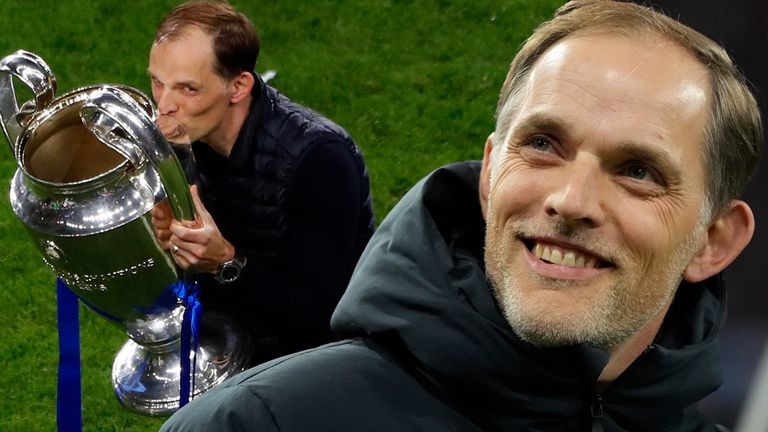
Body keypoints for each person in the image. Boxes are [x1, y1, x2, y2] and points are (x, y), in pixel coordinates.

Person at [160, 0, 761, 430]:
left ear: (713, 241)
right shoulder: (259, 421)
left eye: (637, 171)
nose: (571, 201)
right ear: (491, 172)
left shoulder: (317, 157)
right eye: (544, 144)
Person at [148, 1, 376, 366]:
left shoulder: (320, 159)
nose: (164, 106)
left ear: (238, 86)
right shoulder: (178, 142)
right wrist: (168, 243)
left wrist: (225, 262)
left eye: (188, 89)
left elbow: (322, 317)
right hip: (229, 349)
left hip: (320, 364)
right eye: (158, 82)